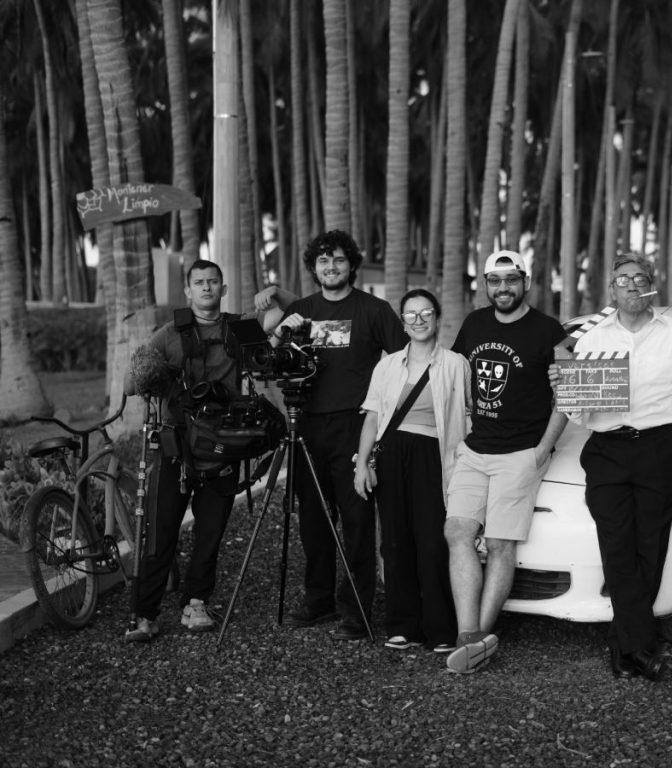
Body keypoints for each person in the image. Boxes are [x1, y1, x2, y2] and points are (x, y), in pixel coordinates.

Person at [558, 254, 672, 681]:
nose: (629, 286)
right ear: (611, 290)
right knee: (617, 547)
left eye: (637, 279)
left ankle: (623, 645)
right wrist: (571, 388)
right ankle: (641, 648)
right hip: (607, 450)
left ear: (651, 286)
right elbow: (576, 415)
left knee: (652, 547)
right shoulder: (592, 339)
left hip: (659, 449)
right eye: (621, 280)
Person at [262, 230, 406, 637]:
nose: (331, 267)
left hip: (357, 426)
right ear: (313, 268)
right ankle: (318, 599)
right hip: (307, 425)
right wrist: (280, 333)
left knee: (357, 520)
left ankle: (357, 609)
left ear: (352, 265)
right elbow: (270, 367)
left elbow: (402, 363)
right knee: (313, 520)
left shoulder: (374, 310)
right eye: (323, 261)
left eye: (339, 260)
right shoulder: (302, 311)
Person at [443, 250, 568, 674]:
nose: (503, 289)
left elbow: (567, 395)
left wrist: (542, 449)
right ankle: (468, 635)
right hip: (476, 449)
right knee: (457, 530)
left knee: (499, 544)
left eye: (510, 280)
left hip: (520, 453)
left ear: (526, 282)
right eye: (494, 281)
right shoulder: (474, 324)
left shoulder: (549, 331)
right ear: (485, 284)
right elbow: (456, 376)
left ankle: (480, 634)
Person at [125, 259, 245, 642]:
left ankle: (196, 602)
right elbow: (130, 384)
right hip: (175, 449)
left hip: (222, 447)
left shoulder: (240, 329)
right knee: (160, 534)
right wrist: (149, 372)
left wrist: (272, 293)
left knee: (210, 532)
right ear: (188, 292)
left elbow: (286, 310)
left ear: (223, 289)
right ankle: (145, 614)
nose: (207, 288)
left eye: (213, 282)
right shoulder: (168, 334)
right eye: (199, 283)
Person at [353, 289, 470, 654]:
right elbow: (373, 417)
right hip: (390, 455)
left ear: (437, 318)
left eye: (425, 313)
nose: (418, 321)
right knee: (394, 540)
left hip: (433, 455)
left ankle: (440, 628)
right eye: (410, 315)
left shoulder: (455, 364)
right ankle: (404, 625)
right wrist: (362, 464)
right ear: (403, 322)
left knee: (433, 541)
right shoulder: (387, 366)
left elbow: (468, 417)